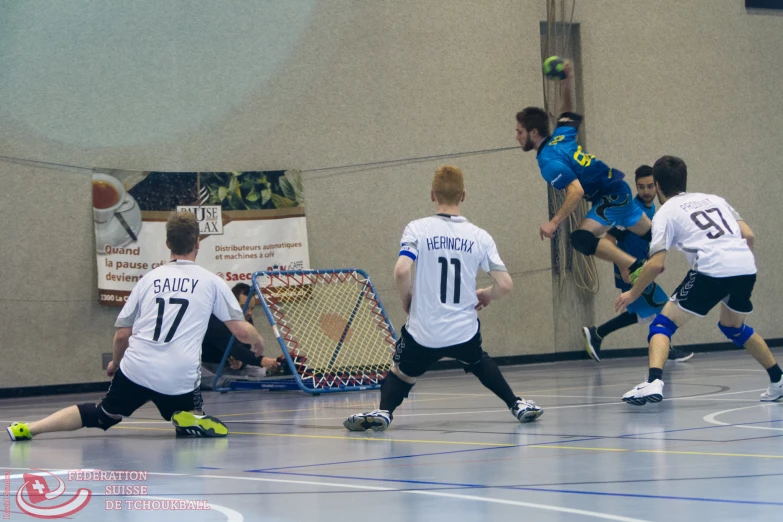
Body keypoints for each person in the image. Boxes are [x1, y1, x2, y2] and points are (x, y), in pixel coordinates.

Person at [6, 212, 266, 441]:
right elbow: (242, 331)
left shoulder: (148, 280)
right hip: (179, 376)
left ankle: (29, 429)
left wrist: (116, 364)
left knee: (103, 414)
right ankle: (188, 416)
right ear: (197, 244)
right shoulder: (212, 282)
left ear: (167, 244)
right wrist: (258, 342)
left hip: (138, 368)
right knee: (190, 411)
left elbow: (122, 335)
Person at [343, 166, 542, 432]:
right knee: (478, 361)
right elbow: (505, 285)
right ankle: (516, 404)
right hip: (463, 331)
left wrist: (407, 300)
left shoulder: (418, 228)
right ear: (464, 195)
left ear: (432, 194)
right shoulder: (480, 237)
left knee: (401, 372)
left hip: (424, 331)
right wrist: (486, 294)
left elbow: (402, 270)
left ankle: (385, 411)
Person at [616, 156, 783, 405]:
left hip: (712, 269)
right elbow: (748, 234)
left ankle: (653, 382)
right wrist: (740, 264)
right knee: (733, 327)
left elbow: (657, 264)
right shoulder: (715, 200)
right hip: (745, 266)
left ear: (658, 185)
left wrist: (632, 293)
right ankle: (778, 380)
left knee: (662, 325)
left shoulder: (665, 213)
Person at [516, 60, 650, 283]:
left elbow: (576, 192)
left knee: (580, 238)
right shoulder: (560, 136)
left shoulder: (548, 161)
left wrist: (554, 222)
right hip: (617, 190)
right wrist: (567, 81)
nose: (517, 136)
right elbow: (567, 111)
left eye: (520, 132)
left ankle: (635, 265)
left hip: (610, 197)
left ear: (534, 132)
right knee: (658, 239)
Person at [582, 165, 694, 362]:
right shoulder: (629, 211)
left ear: (657, 186)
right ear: (635, 187)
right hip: (631, 272)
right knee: (663, 306)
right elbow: (608, 241)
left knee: (642, 312)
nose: (646, 191)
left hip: (643, 269)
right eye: (641, 187)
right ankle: (666, 350)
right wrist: (624, 266)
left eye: (650, 186)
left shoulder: (654, 210)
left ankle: (597, 333)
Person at [200, 282, 280, 389]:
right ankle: (226, 382)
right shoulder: (215, 319)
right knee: (193, 375)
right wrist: (262, 360)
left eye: (252, 308)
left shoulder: (246, 318)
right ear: (232, 304)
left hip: (227, 367)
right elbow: (233, 347)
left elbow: (245, 346)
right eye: (245, 307)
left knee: (259, 372)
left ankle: (230, 381)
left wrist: (240, 362)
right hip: (206, 365)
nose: (249, 313)